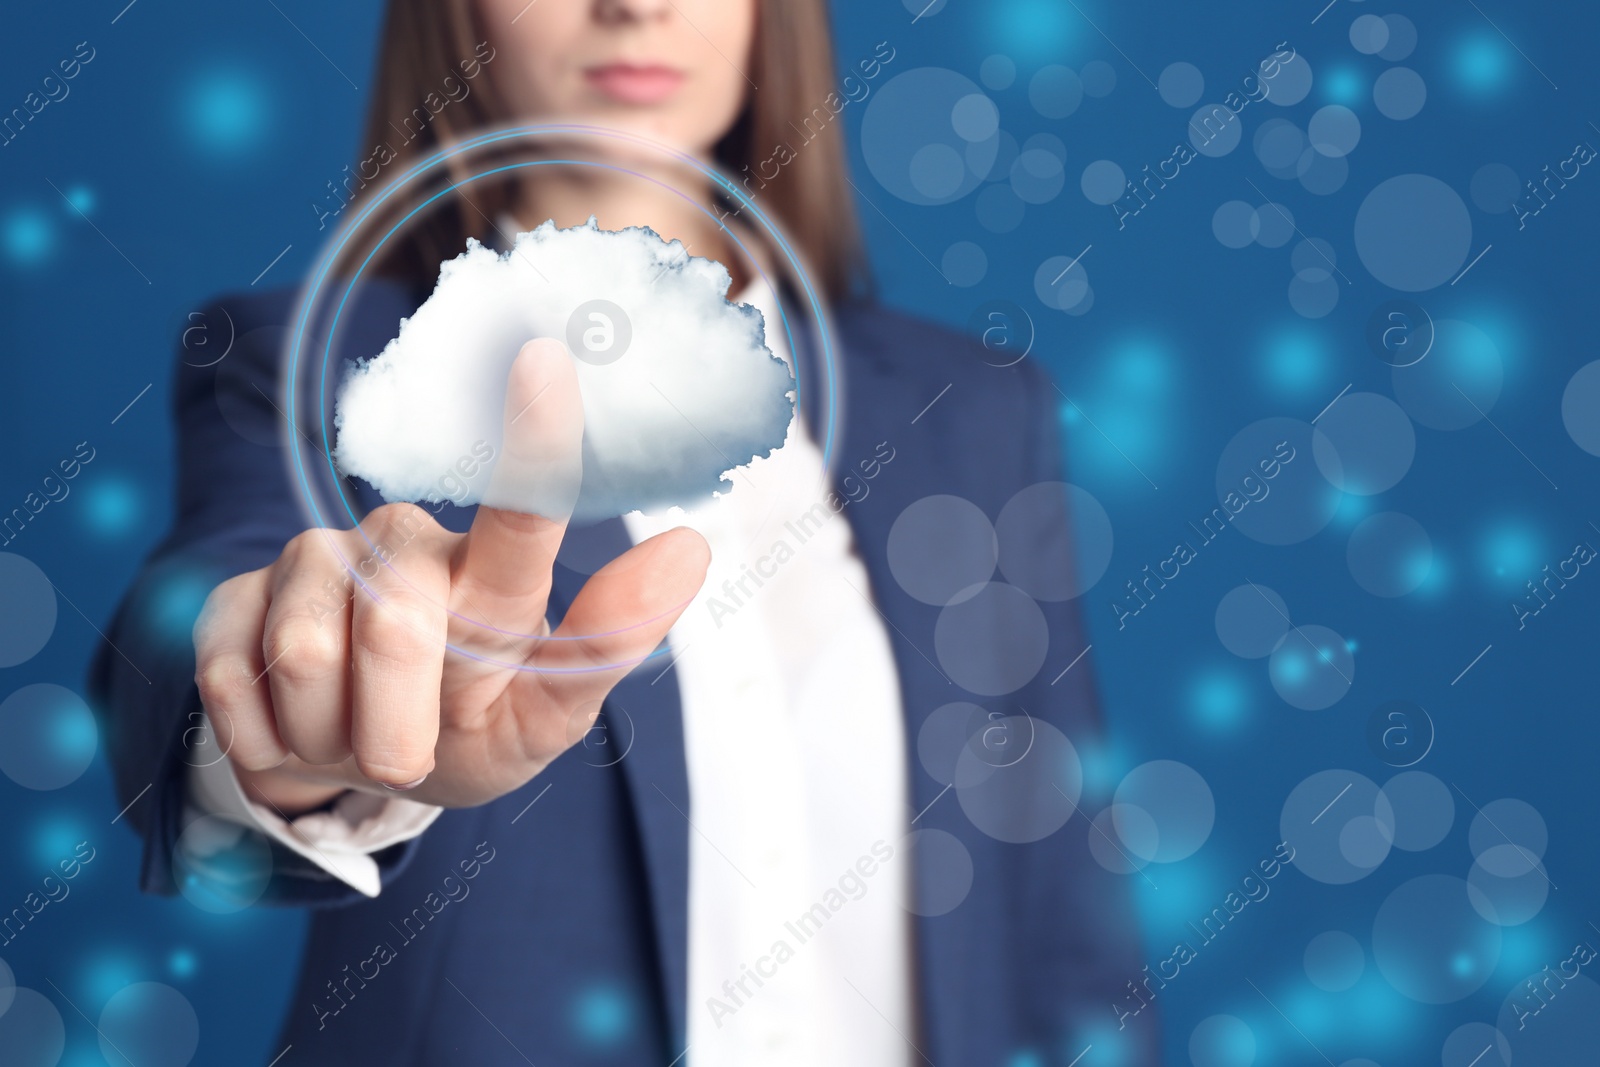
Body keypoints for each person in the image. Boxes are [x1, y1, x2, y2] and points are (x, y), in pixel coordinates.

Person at [93, 0, 1157, 1063]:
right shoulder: (316, 364)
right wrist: (282, 718)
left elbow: (1063, 902)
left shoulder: (972, 408)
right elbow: (202, 613)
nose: (635, 7)